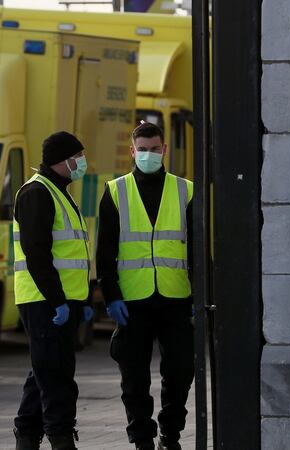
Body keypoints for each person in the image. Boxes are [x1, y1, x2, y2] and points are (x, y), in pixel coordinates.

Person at [97, 122, 194, 450]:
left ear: (165, 149)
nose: (149, 155)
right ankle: (141, 439)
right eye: (143, 149)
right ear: (132, 150)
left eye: (155, 149)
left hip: (175, 297)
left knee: (180, 371)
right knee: (134, 376)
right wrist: (110, 296)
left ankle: (171, 432)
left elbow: (197, 247)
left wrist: (201, 295)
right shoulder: (115, 191)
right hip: (132, 300)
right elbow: (105, 251)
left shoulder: (185, 190)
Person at [12, 131, 94, 450]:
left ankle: (27, 437)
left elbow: (69, 253)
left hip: (62, 302)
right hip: (44, 301)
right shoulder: (37, 193)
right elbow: (37, 252)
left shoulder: (58, 191)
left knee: (43, 373)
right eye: (79, 156)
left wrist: (81, 299)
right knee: (56, 377)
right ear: (64, 160)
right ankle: (61, 439)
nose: (82, 162)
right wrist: (57, 300)